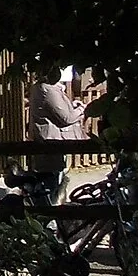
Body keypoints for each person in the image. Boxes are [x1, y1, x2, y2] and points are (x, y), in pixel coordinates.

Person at [30, 69, 89, 201]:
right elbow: (65, 118)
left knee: (50, 181)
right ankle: (52, 216)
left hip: (48, 141)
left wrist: (71, 105)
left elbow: (53, 110)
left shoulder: (39, 87)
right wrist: (81, 110)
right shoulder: (49, 90)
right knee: (52, 185)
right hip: (52, 142)